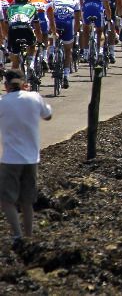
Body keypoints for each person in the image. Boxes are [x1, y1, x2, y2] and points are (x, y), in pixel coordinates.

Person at [0, 70, 52, 248]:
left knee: (7, 200)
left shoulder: (3, 103)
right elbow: (48, 115)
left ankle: (17, 235)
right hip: (31, 158)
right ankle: (29, 236)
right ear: (23, 83)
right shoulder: (34, 98)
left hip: (10, 159)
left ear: (6, 86)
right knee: (27, 201)